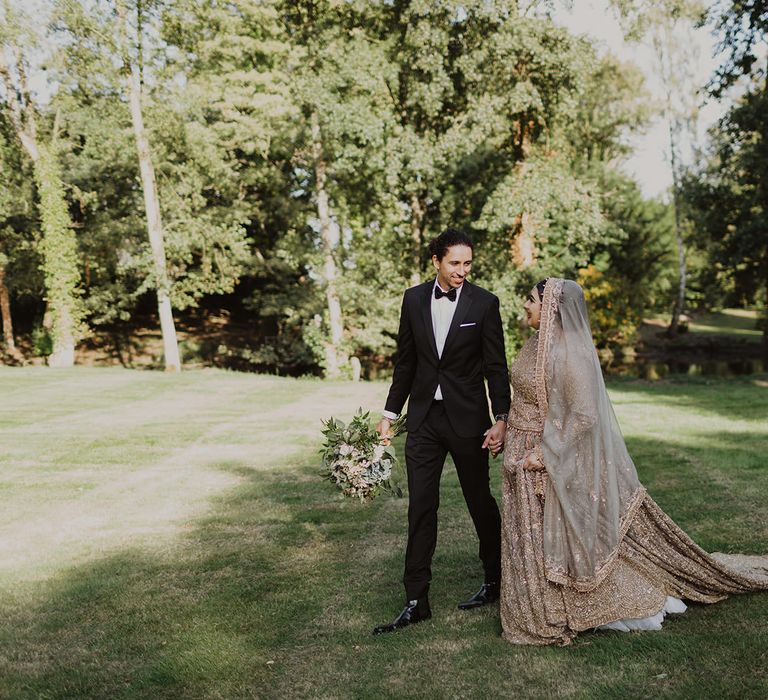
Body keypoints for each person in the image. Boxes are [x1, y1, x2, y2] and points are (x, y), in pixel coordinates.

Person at [500, 277, 768, 646]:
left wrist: (545, 453)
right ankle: (535, 596)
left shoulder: (570, 352)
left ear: (551, 308)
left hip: (543, 457)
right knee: (532, 539)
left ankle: (624, 600)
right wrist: (503, 427)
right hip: (520, 449)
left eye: (530, 300)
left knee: (562, 541)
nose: (525, 306)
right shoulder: (536, 343)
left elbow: (585, 415)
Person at [372, 228, 511, 635]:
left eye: (468, 264)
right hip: (424, 421)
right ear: (436, 261)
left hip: (468, 420)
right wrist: (389, 412)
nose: (462, 271)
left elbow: (496, 367)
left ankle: (496, 579)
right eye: (455, 263)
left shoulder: (485, 304)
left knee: (479, 502)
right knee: (421, 506)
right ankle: (416, 600)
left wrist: (500, 418)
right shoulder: (413, 299)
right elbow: (405, 362)